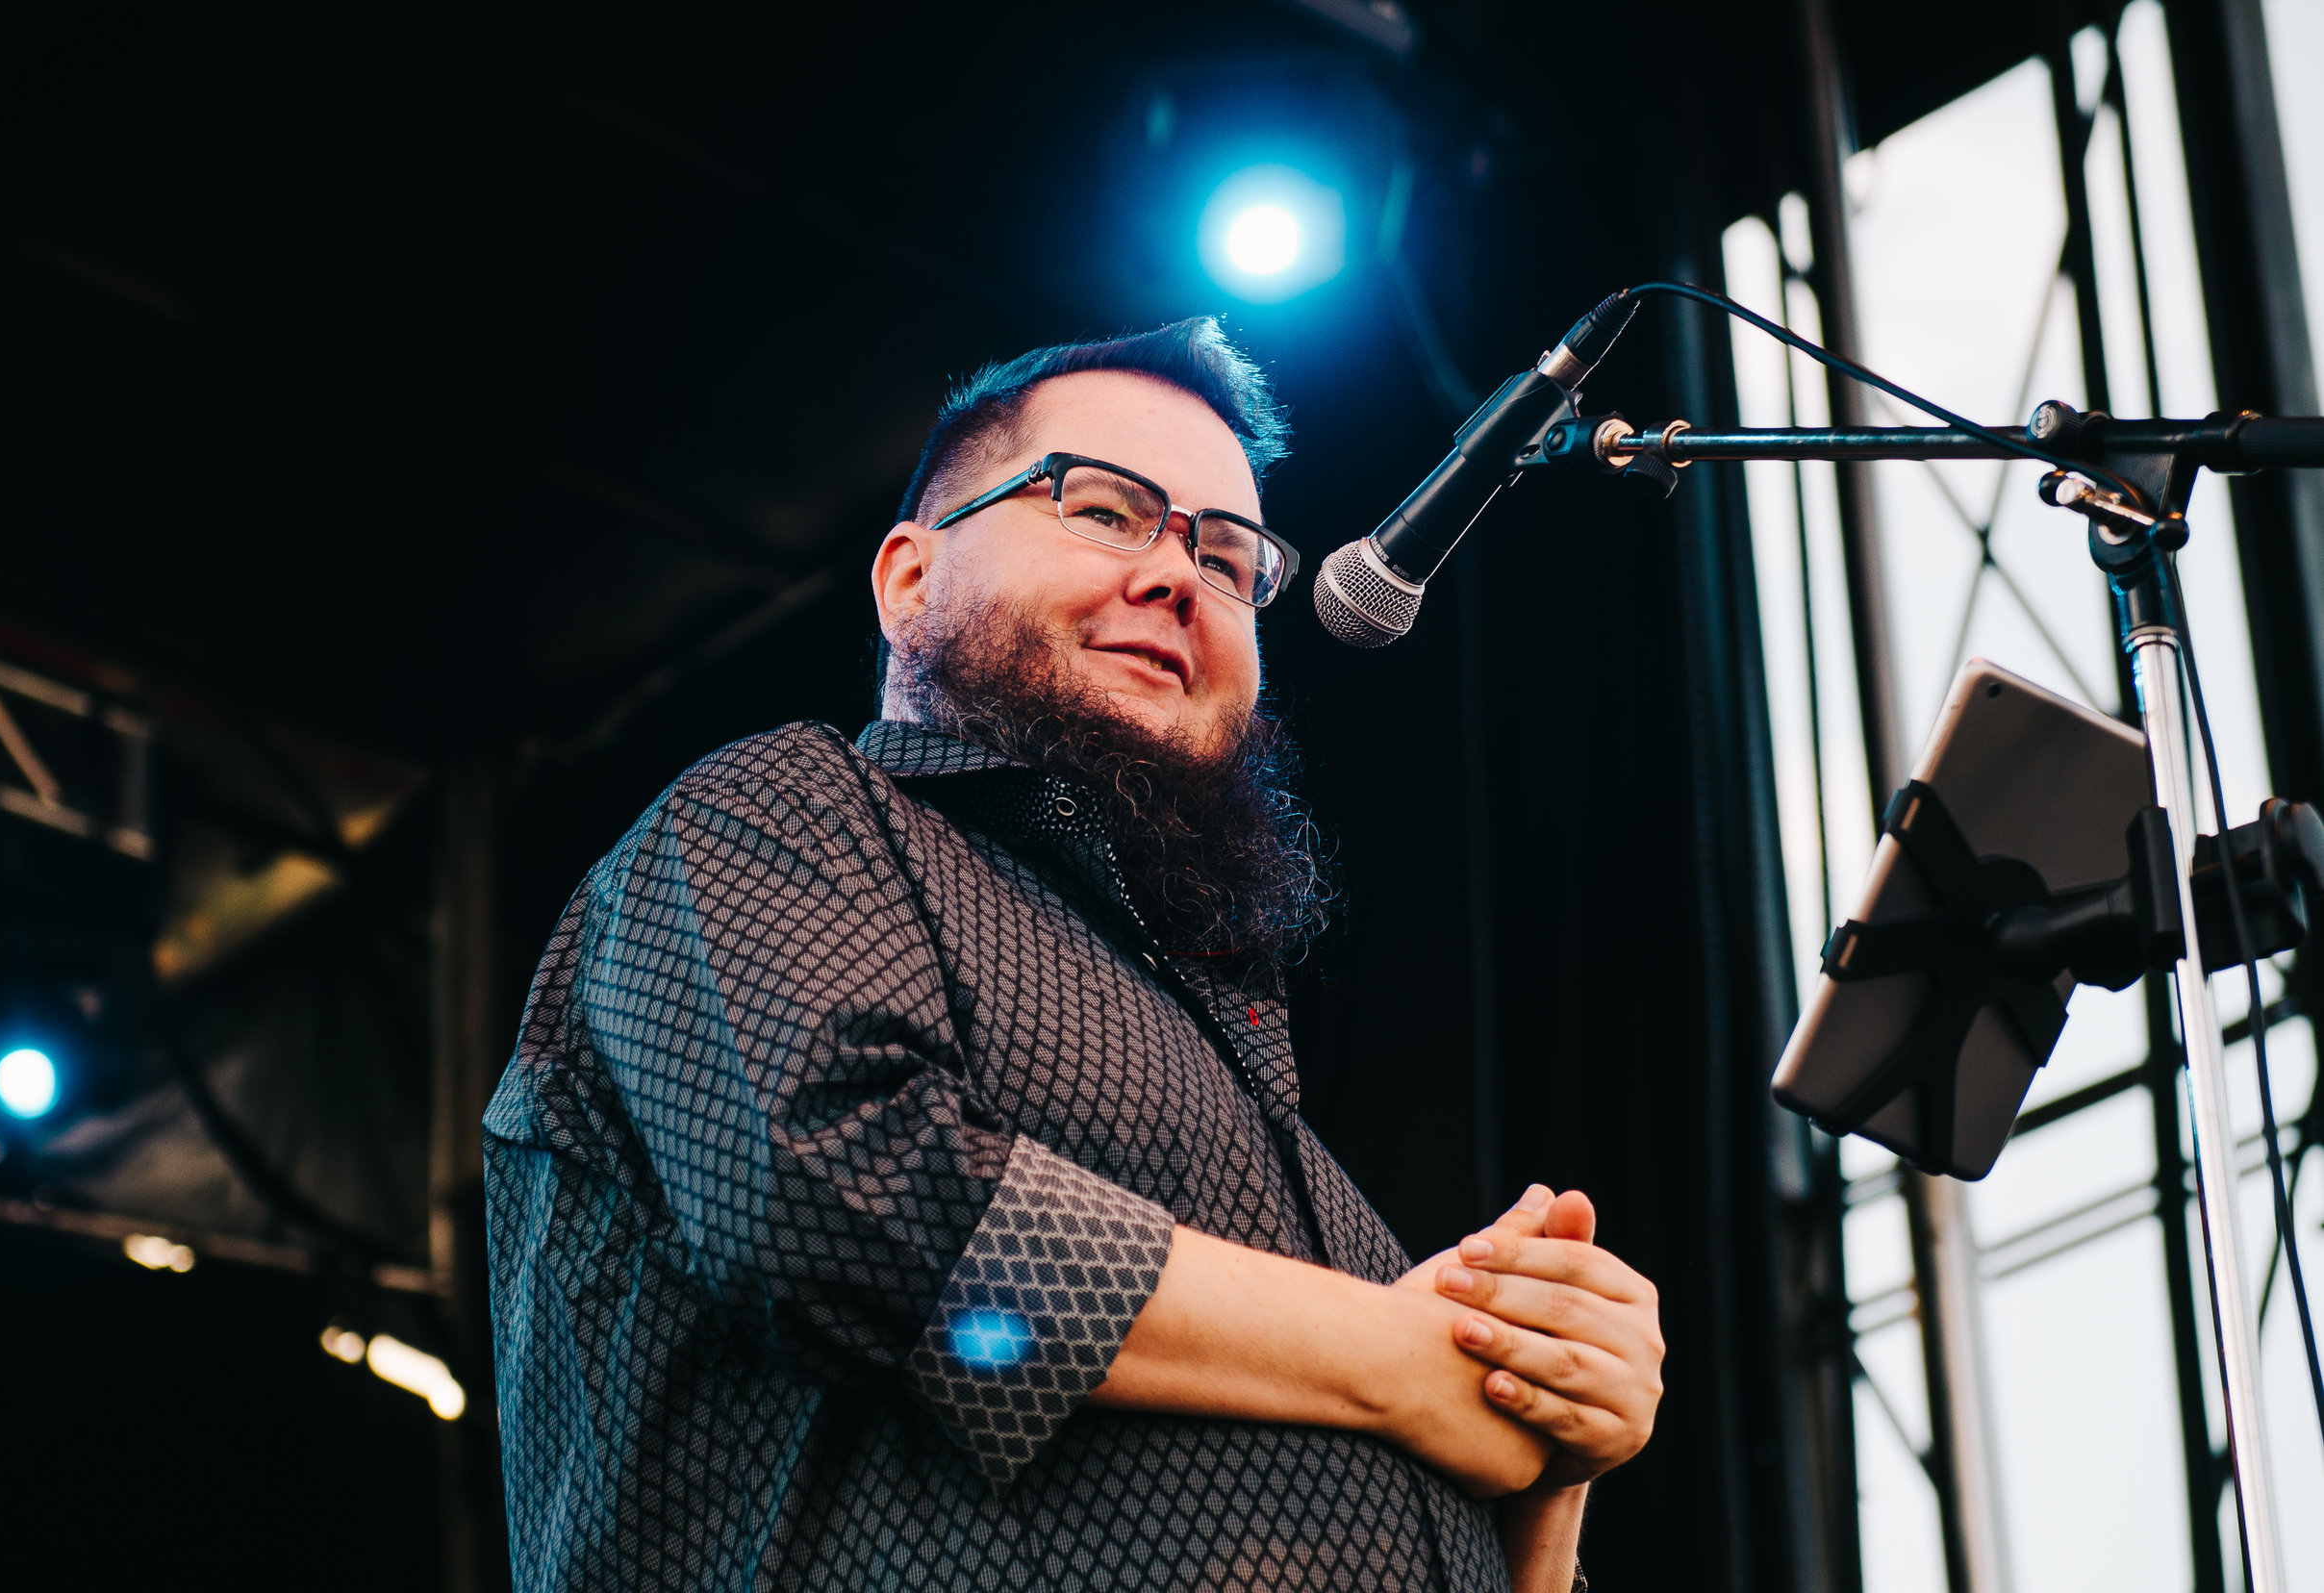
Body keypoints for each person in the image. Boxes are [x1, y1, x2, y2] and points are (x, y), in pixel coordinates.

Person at [483, 318, 1664, 1593]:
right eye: (1104, 509)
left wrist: (1537, 1457)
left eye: (1226, 556)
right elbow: (842, 1193)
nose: (1177, 576)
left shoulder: (1274, 1135)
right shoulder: (777, 811)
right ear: (906, 578)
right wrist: (1394, 1353)